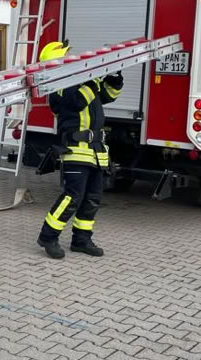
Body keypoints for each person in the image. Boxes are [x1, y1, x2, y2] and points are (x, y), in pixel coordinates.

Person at [36, 41, 123, 260]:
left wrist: (114, 78)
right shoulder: (58, 85)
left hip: (96, 151)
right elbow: (77, 101)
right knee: (72, 197)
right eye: (67, 56)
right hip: (76, 150)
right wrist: (94, 77)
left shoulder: (83, 82)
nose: (72, 59)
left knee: (92, 198)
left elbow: (107, 95)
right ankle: (48, 236)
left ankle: (81, 240)